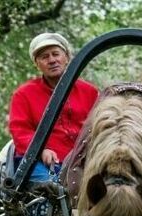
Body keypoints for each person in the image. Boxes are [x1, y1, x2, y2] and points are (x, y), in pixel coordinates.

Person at [8, 32, 99, 183]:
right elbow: (20, 131)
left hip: (84, 159)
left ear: (66, 57)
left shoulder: (89, 91)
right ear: (37, 64)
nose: (52, 60)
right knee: (52, 190)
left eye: (56, 54)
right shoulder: (23, 94)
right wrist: (40, 150)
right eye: (44, 57)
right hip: (39, 161)